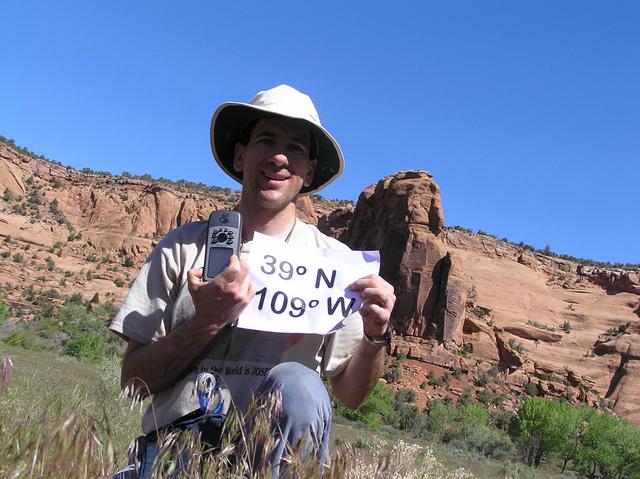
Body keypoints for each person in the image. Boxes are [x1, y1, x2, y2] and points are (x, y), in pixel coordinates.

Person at [110, 84, 396, 477]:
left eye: (296, 148)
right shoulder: (183, 247)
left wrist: (375, 337)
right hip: (176, 453)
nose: (280, 157)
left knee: (300, 383)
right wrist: (207, 321)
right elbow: (133, 385)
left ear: (308, 171)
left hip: (270, 459)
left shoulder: (336, 266)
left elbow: (350, 395)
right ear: (241, 155)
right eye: (266, 140)